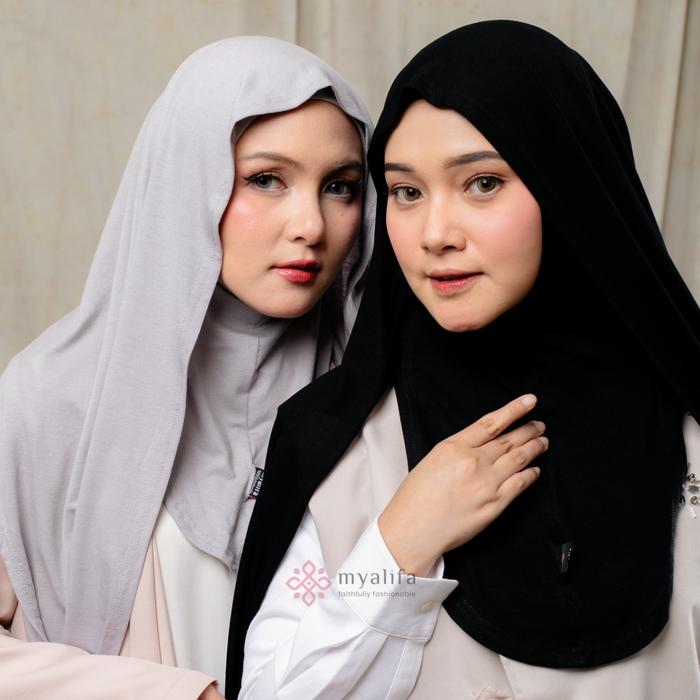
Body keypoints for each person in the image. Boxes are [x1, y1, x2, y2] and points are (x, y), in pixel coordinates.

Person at [228, 21, 700, 699]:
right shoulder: (340, 443)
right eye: (406, 192)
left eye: (481, 183)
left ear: (568, 185)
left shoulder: (688, 426)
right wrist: (398, 545)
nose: (435, 235)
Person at [0, 36, 374, 699]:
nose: (311, 226)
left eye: (340, 187)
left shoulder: (373, 392)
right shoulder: (52, 400)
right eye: (266, 179)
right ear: (185, 181)